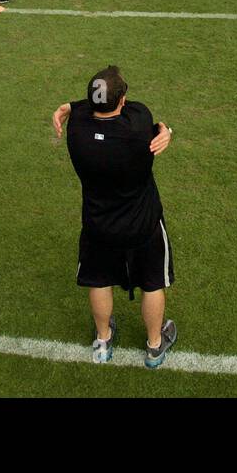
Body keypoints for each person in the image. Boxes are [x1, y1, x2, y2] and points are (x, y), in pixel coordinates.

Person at [50, 65, 176, 368]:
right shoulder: (138, 125)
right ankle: (155, 346)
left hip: (98, 224)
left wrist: (67, 107)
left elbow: (84, 107)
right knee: (152, 282)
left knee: (99, 279)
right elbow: (153, 122)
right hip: (142, 223)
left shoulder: (77, 129)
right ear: (122, 102)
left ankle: (103, 342)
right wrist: (167, 132)